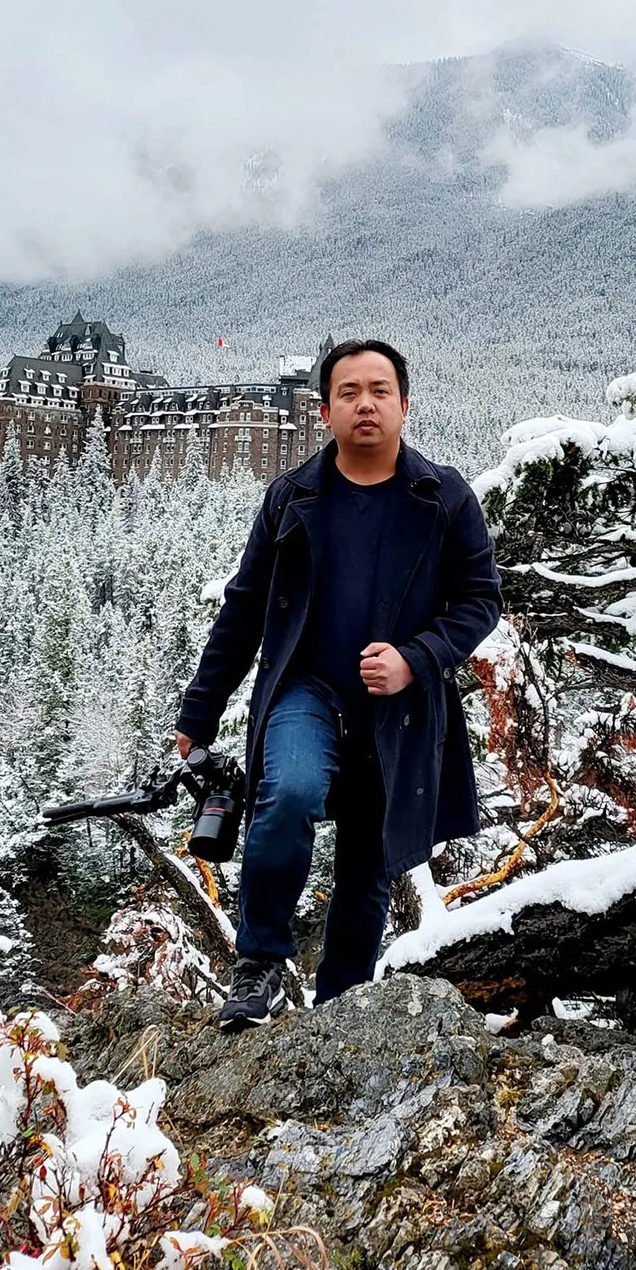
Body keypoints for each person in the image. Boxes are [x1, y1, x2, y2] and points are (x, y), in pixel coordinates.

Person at [170, 338, 501, 1033]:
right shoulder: (292, 499)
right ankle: (257, 962)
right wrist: (200, 709)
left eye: (379, 390)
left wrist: (417, 656)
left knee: (366, 865)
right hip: (306, 689)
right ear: (325, 411)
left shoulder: (444, 499)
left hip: (401, 711)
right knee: (286, 793)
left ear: (405, 405)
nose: (365, 403)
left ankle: (341, 1009)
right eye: (349, 391)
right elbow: (244, 605)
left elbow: (480, 599)